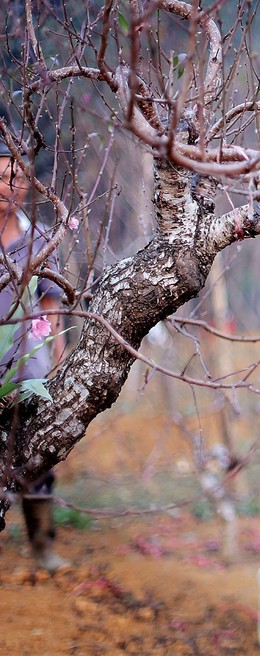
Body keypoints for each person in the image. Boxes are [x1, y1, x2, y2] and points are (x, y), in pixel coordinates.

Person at [0, 142, 70, 572]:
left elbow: (52, 309)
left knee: (36, 458)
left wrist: (55, 363)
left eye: (20, 180)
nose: (12, 189)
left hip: (29, 371)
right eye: (4, 179)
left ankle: (42, 546)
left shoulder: (39, 239)